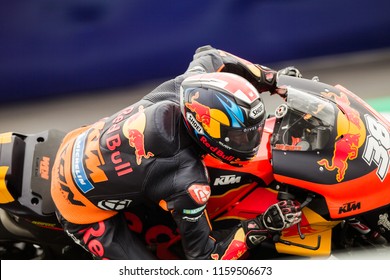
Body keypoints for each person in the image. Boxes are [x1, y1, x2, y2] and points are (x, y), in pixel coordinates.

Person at [51, 45, 302, 260]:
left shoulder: (185, 87)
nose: (250, 141)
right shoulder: (186, 178)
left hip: (77, 143)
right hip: (78, 207)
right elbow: (203, 259)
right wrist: (261, 226)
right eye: (240, 136)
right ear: (207, 129)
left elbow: (210, 54)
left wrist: (272, 79)